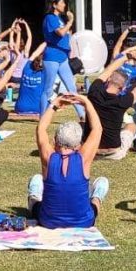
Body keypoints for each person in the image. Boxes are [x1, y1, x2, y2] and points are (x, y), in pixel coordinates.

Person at [27, 93, 110, 229]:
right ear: (79, 144)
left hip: (48, 221)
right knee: (97, 197)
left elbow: (41, 128)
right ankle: (97, 195)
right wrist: (86, 102)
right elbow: (97, 129)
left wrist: (54, 105)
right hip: (83, 222)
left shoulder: (48, 157)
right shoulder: (83, 158)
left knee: (35, 188)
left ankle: (35, 193)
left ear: (55, 141)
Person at [41, 0, 80, 112]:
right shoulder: (50, 18)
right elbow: (61, 33)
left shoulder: (59, 19)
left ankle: (82, 115)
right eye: (62, 2)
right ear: (54, 5)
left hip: (62, 57)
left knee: (72, 87)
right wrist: (71, 21)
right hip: (52, 57)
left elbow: (66, 34)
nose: (64, 5)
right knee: (48, 89)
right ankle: (42, 116)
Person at [13, 43, 49, 117]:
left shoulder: (26, 68)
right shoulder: (45, 72)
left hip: (21, 107)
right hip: (38, 108)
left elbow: (34, 54)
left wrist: (45, 43)